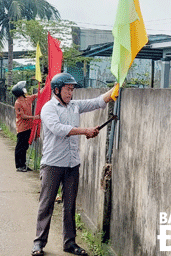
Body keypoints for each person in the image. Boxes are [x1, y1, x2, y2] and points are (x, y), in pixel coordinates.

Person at [31, 73, 117, 256]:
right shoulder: (48, 108)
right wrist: (84, 130)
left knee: (70, 205)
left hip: (72, 165)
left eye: (72, 89)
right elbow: (58, 129)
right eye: (67, 89)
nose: (70, 92)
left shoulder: (74, 106)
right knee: (46, 204)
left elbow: (96, 102)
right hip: (52, 165)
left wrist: (115, 89)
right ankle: (39, 243)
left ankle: (69, 243)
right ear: (57, 90)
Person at [12, 81, 39, 172]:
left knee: (25, 147)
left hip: (29, 127)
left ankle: (23, 165)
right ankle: (19, 166)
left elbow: (36, 95)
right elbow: (22, 116)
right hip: (22, 128)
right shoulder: (18, 103)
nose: (25, 90)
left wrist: (46, 87)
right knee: (20, 147)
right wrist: (33, 117)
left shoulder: (27, 98)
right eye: (23, 89)